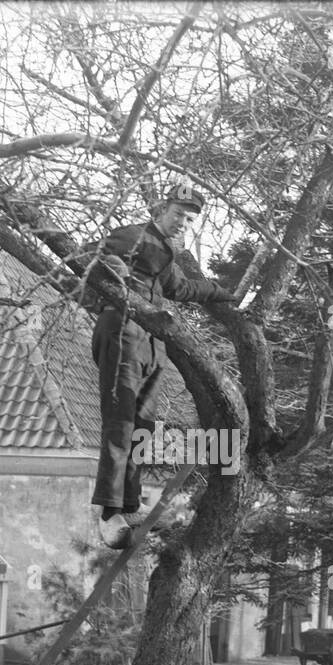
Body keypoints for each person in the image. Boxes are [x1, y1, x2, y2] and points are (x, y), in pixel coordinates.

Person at [80, 180, 237, 548]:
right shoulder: (133, 236)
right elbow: (86, 254)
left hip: (152, 341)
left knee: (143, 427)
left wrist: (222, 293)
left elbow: (182, 290)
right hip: (122, 330)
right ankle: (108, 512)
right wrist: (114, 275)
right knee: (120, 422)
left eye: (190, 219)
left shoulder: (165, 254)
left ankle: (129, 503)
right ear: (160, 211)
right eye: (179, 214)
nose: (184, 223)